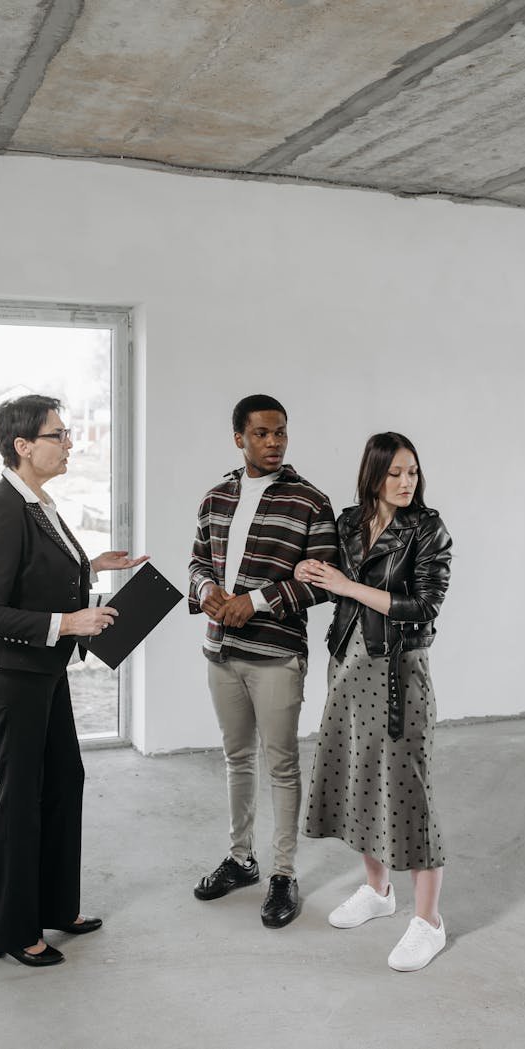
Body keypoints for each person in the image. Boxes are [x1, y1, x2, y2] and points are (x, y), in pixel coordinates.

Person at [0, 394, 147, 967]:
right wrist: (69, 621)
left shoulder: (37, 503)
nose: (70, 443)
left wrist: (91, 566)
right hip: (14, 676)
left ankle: (56, 905)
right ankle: (14, 930)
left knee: (64, 780)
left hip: (44, 671)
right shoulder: (3, 508)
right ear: (23, 447)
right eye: (59, 435)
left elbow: (35, 573)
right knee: (20, 800)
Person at [297, 431, 452, 971]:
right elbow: (332, 588)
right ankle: (378, 891)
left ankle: (429, 922)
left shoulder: (427, 529)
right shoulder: (348, 523)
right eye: (395, 473)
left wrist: (346, 585)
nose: (406, 482)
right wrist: (311, 575)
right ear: (374, 475)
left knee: (411, 792)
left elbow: (423, 606)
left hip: (399, 676)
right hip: (349, 668)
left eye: (412, 471)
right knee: (362, 780)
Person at [189, 394, 337, 928]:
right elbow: (198, 559)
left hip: (275, 656)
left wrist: (252, 600)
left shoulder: (310, 502)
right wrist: (206, 589)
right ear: (239, 438)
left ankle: (284, 874)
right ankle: (240, 859)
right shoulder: (215, 498)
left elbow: (321, 581)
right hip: (221, 653)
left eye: (281, 433)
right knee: (236, 759)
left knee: (281, 764)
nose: (273, 443)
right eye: (262, 434)